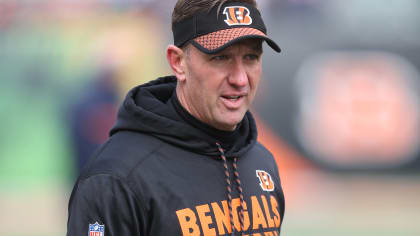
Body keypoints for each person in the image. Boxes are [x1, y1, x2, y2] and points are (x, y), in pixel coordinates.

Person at [67, 0, 285, 235]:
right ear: (178, 62)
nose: (240, 79)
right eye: (221, 58)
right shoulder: (118, 177)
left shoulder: (261, 162)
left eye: (251, 57)